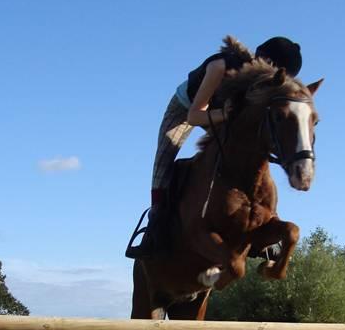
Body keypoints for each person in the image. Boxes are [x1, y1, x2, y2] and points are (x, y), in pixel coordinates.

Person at [125, 35, 303, 259]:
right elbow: (194, 116)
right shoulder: (220, 66)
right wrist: (225, 114)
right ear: (267, 62)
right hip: (186, 110)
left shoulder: (262, 83)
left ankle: (267, 220)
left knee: (253, 152)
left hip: (225, 114)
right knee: (163, 162)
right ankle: (155, 228)